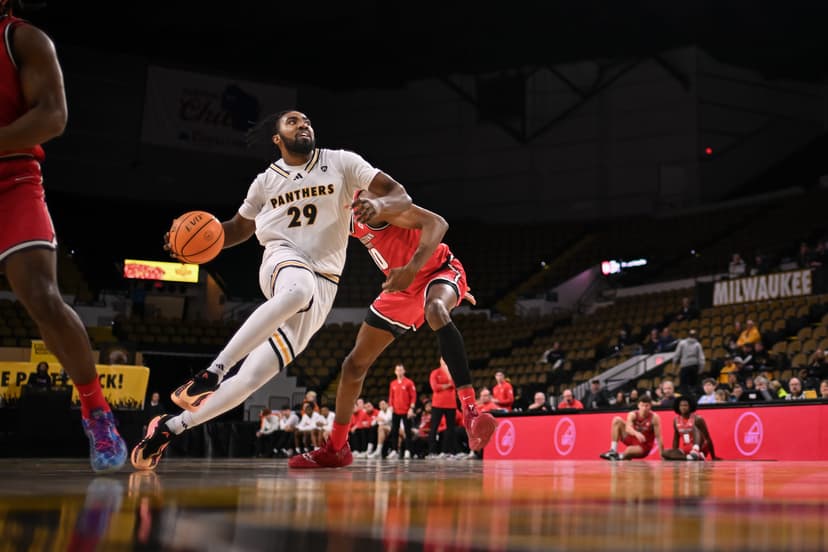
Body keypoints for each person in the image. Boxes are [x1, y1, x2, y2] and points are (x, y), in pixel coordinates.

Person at [130, 109, 412, 470]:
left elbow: (399, 194)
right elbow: (237, 228)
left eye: (307, 121)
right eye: (293, 122)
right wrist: (193, 246)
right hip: (283, 259)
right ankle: (211, 374)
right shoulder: (265, 181)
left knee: (251, 379)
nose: (303, 124)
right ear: (277, 138)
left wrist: (378, 204)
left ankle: (169, 428)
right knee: (298, 290)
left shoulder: (342, 162)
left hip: (325, 284)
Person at [0, 2, 126, 473]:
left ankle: (97, 413)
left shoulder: (23, 39)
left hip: (11, 179)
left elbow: (52, 117)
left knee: (42, 296)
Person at [289, 192, 496, 468]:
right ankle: (336, 447)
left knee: (436, 309)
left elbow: (438, 224)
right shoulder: (340, 215)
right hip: (402, 288)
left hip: (436, 272)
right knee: (353, 366)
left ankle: (471, 412)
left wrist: (414, 270)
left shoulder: (371, 204)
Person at [600, 395, 664, 461]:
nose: (644, 408)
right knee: (617, 420)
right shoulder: (632, 414)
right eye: (642, 405)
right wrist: (636, 433)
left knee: (629, 450)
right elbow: (628, 428)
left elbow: (659, 437)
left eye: (646, 406)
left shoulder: (654, 418)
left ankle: (621, 457)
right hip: (632, 439)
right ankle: (613, 451)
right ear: (638, 405)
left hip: (644, 446)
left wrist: (662, 455)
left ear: (650, 406)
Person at [662, 396, 718, 461]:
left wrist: (713, 457)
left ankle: (696, 451)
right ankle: (689, 458)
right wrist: (674, 453)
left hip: (699, 448)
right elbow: (676, 439)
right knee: (664, 453)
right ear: (678, 407)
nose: (683, 407)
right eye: (681, 405)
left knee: (693, 427)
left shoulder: (698, 419)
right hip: (686, 450)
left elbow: (707, 438)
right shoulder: (676, 420)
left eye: (685, 405)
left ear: (690, 407)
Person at [427, 358, 457, 458]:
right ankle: (432, 452)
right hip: (437, 404)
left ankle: (448, 451)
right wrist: (448, 385)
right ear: (440, 361)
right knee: (434, 428)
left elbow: (455, 385)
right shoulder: (435, 372)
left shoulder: (453, 372)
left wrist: (446, 381)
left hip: (451, 404)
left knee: (451, 429)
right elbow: (435, 387)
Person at [673, 329, 705, 397]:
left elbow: (677, 355)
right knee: (694, 385)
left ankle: (684, 397)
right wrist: (700, 370)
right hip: (694, 367)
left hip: (684, 366)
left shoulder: (682, 343)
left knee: (683, 385)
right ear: (695, 336)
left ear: (688, 335)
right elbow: (701, 358)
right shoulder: (698, 344)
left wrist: (674, 365)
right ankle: (694, 397)